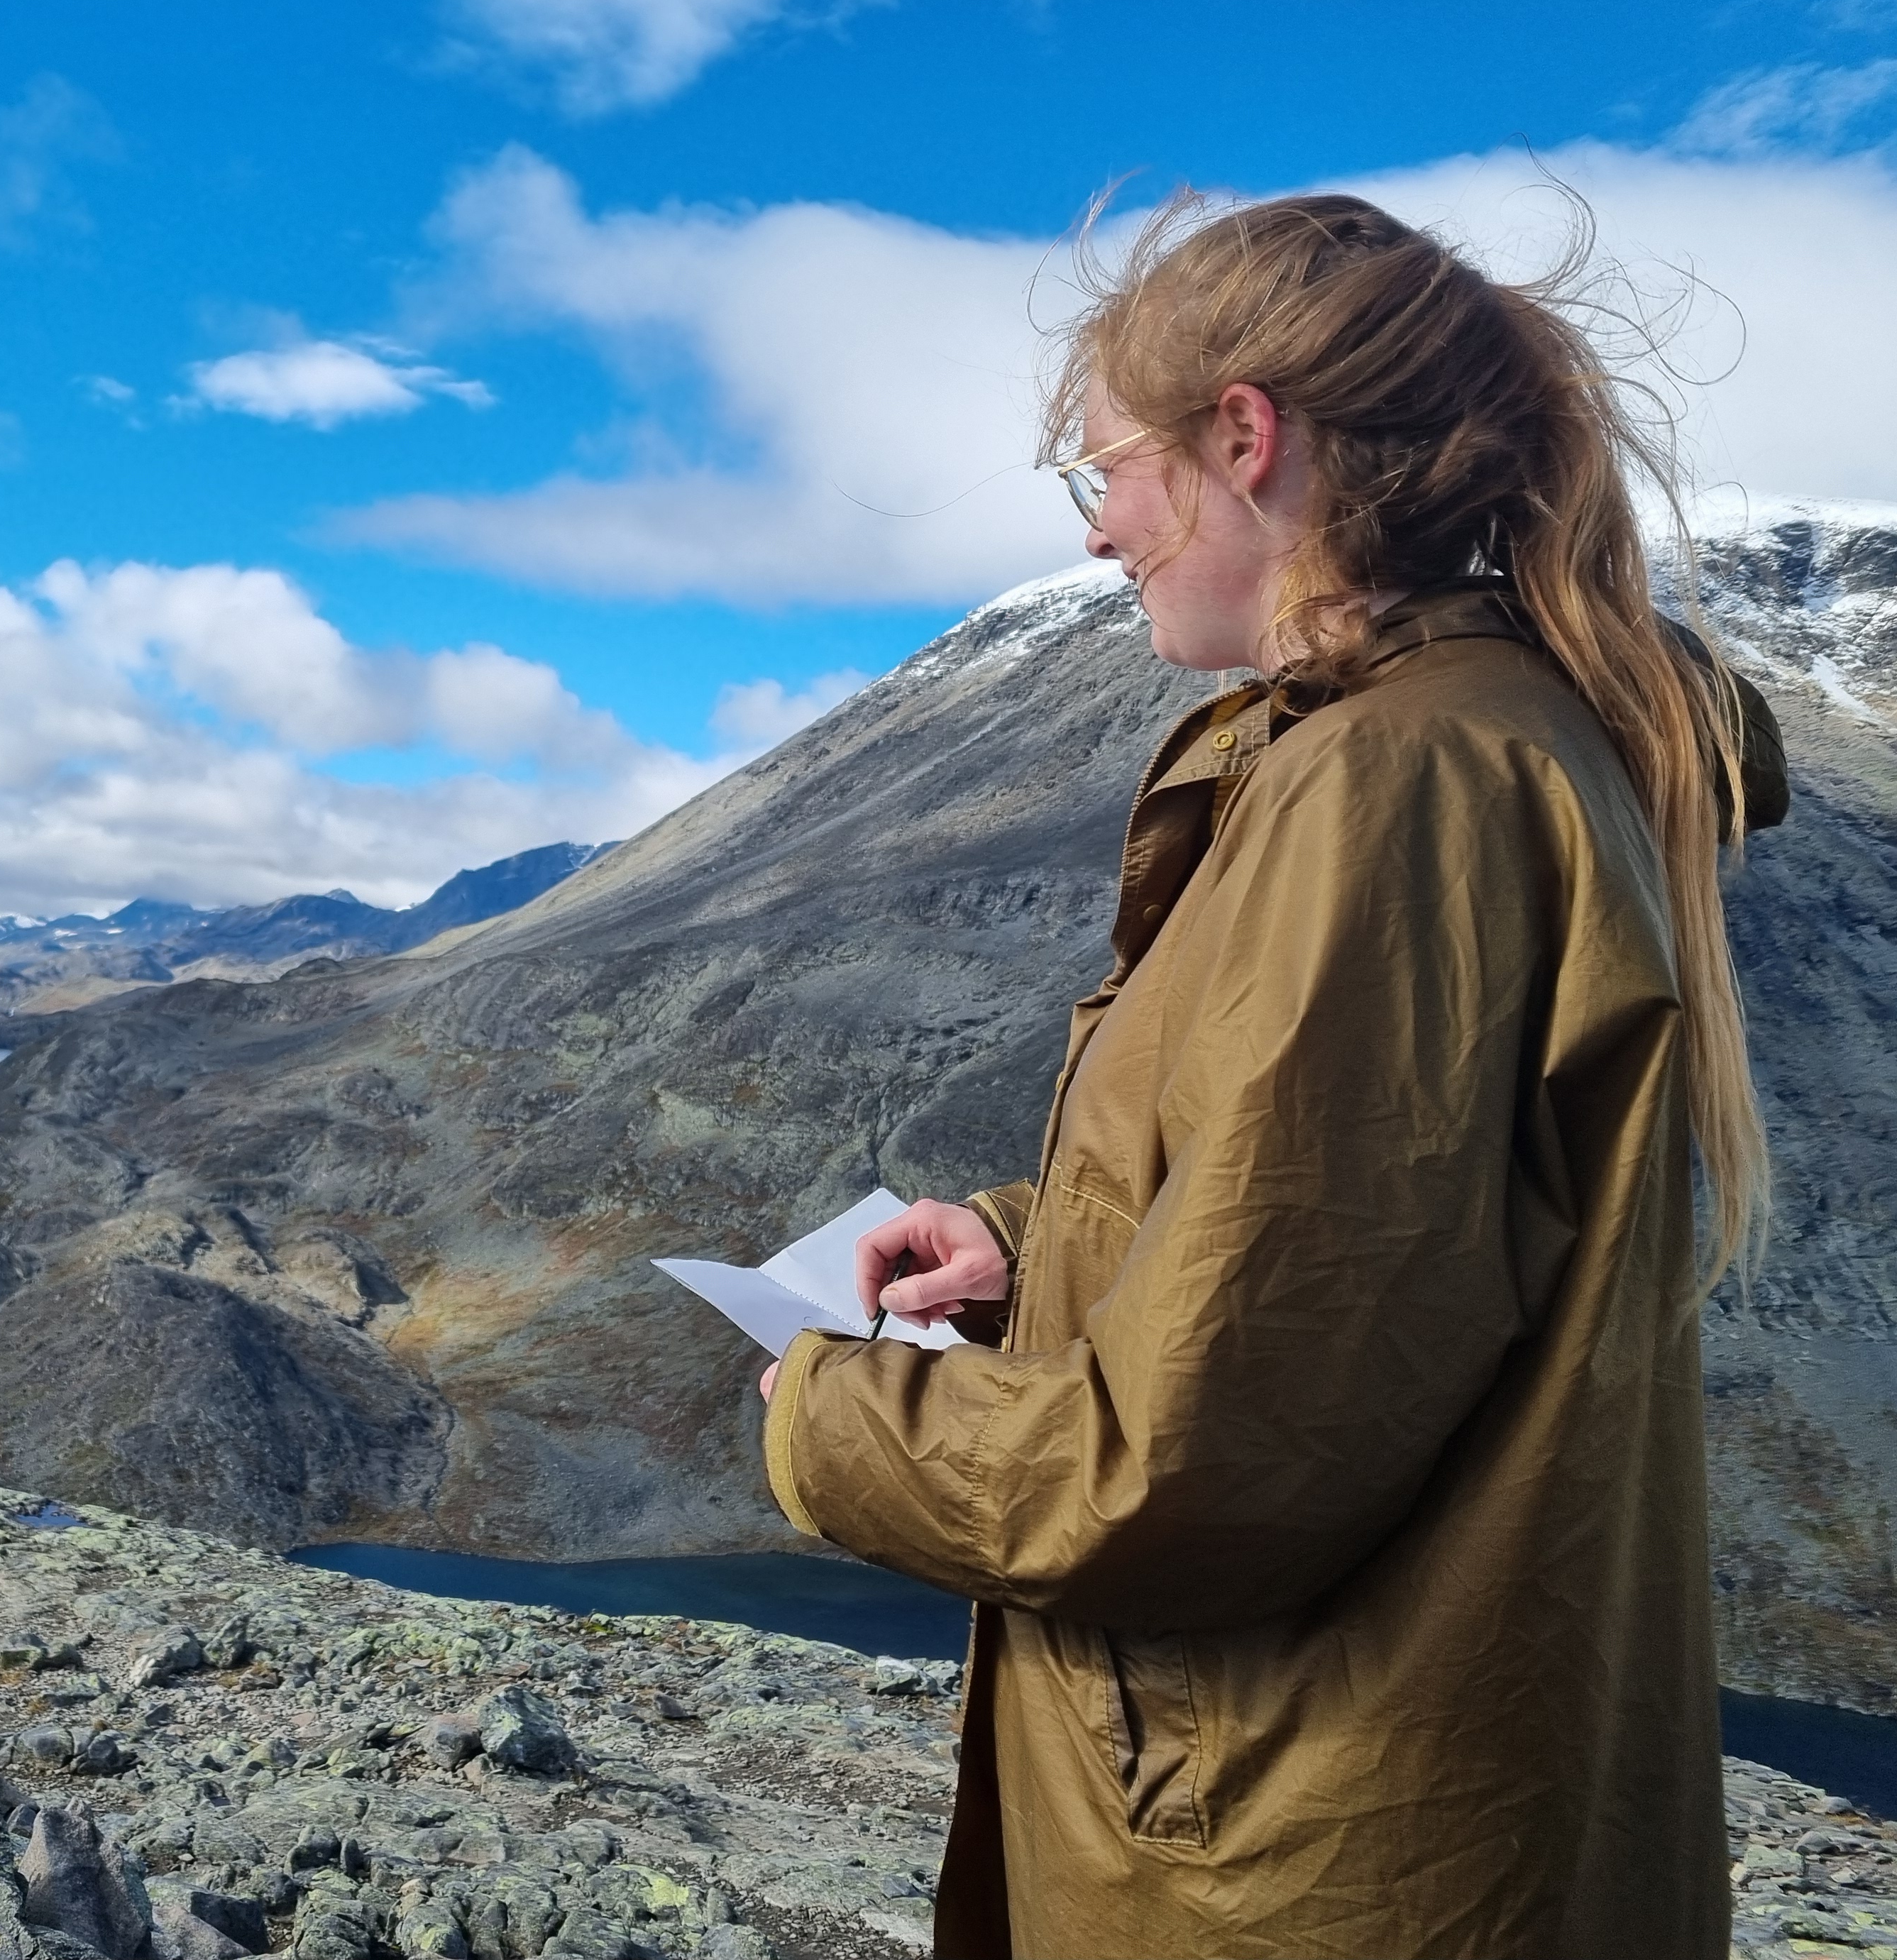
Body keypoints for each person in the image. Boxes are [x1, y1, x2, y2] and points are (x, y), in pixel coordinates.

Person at [754, 192, 1786, 1960]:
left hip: (1299, 1858)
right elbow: (1360, 1228)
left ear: (1245, 437)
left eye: (1107, 473)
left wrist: (825, 1417)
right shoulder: (1498, 735)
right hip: (1424, 1799)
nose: (1099, 535)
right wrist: (1035, 1248)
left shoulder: (1394, 785)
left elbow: (1197, 1467)